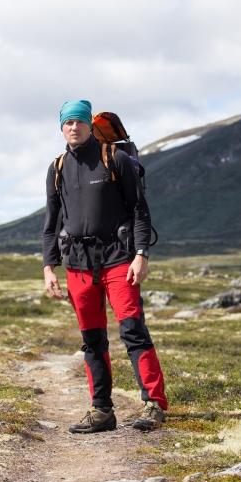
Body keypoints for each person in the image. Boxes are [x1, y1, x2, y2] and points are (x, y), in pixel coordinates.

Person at [42, 100, 168, 434]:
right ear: (61, 127)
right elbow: (51, 223)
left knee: (133, 331)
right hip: (77, 264)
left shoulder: (115, 158)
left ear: (90, 125)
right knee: (92, 339)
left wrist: (141, 254)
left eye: (79, 121)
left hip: (119, 259)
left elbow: (140, 209)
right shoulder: (56, 168)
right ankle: (101, 411)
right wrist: (49, 266)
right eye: (68, 122)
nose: (74, 127)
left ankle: (154, 404)